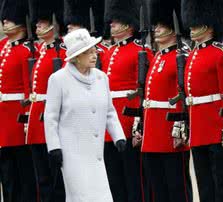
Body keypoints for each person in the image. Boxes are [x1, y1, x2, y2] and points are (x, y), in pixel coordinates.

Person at [44, 28, 127, 202]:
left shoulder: (101, 78)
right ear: (76, 57)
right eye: (88, 52)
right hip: (71, 153)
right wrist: (54, 147)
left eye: (94, 50)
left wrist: (118, 136)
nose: (94, 55)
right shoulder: (58, 79)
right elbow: (51, 117)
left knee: (102, 196)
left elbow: (110, 112)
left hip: (96, 152)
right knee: (81, 197)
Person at [181, 0, 223, 201]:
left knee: (222, 182)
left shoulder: (220, 53)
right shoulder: (193, 54)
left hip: (216, 126)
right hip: (198, 128)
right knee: (204, 183)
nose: (192, 28)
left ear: (210, 26)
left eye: (197, 24)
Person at [140, 0, 193, 202]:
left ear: (173, 28)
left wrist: (183, 124)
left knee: (177, 186)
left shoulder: (182, 55)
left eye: (161, 26)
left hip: (171, 129)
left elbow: (185, 93)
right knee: (158, 187)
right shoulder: (157, 57)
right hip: (153, 131)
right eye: (156, 26)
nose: (156, 30)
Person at [103, 0, 154, 201]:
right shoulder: (107, 53)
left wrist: (138, 125)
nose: (111, 24)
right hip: (109, 126)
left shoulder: (141, 51)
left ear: (128, 23)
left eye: (116, 20)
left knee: (135, 181)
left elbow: (143, 93)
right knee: (114, 180)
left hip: (128, 124)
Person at [25, 0, 67, 201]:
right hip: (36, 120)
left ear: (54, 23)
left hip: (52, 121)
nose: (37, 26)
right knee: (43, 178)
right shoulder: (40, 52)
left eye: (43, 22)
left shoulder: (63, 53)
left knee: (57, 178)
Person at [0, 0, 38, 201]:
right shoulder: (2, 47)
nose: (5, 23)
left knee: (24, 173)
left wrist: (27, 119)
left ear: (22, 24)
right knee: (7, 173)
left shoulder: (27, 51)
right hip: (3, 120)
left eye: (10, 20)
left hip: (17, 120)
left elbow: (29, 89)